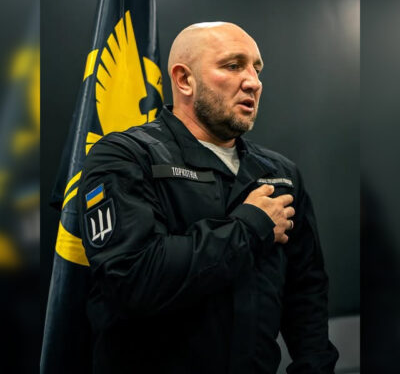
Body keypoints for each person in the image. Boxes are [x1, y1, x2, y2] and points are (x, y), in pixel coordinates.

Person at [77, 22, 339, 374]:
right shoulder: (126, 157)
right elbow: (134, 278)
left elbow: (306, 291)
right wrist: (251, 227)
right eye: (233, 66)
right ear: (184, 79)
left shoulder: (280, 173)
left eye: (256, 69)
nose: (253, 82)